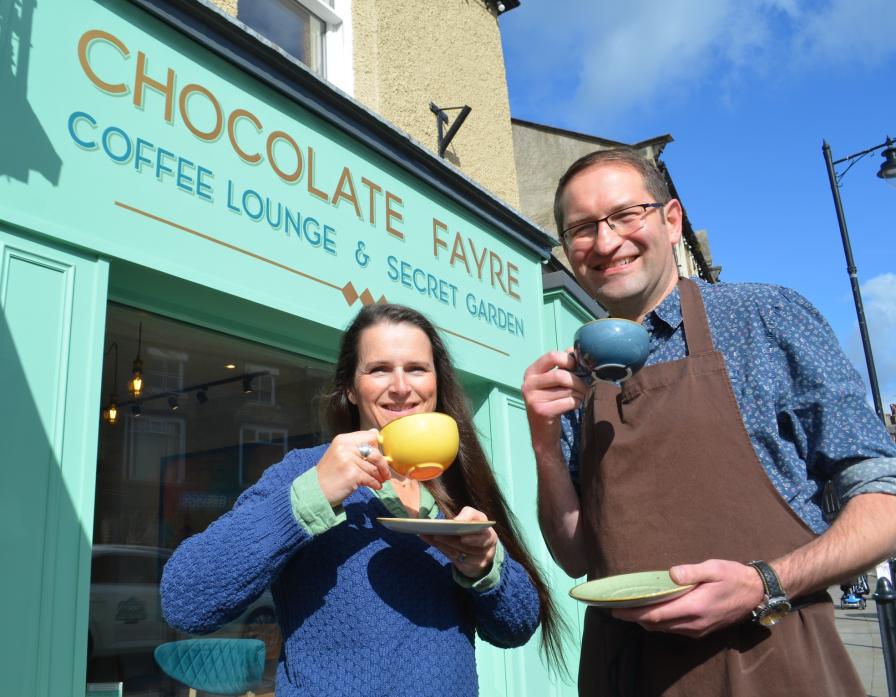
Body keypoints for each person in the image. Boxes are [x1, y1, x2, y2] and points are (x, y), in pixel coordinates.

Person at [521, 147, 896, 696]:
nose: (605, 242)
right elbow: (575, 556)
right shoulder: (577, 374)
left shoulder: (763, 318)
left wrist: (764, 583)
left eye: (626, 215)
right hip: (622, 676)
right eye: (582, 228)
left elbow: (884, 501)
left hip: (769, 665)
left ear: (671, 221)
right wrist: (544, 445)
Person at [161, 303, 565, 697]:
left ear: (436, 383)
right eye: (379, 369)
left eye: (417, 369)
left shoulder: (453, 487)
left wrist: (484, 565)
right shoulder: (304, 472)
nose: (402, 387)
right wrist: (310, 497)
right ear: (350, 389)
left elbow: (517, 626)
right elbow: (186, 601)